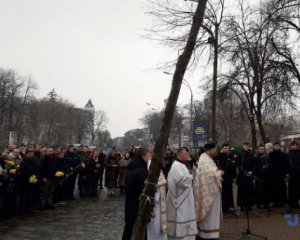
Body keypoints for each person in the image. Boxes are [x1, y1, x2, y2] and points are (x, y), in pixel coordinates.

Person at [167, 147, 197, 240]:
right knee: (181, 217)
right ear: (179, 155)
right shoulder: (176, 165)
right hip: (180, 200)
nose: (188, 155)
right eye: (186, 154)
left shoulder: (182, 164)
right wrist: (192, 176)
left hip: (184, 199)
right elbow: (181, 181)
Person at [194, 143, 223, 240]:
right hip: (209, 192)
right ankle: (209, 234)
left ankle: (209, 233)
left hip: (210, 190)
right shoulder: (205, 159)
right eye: (214, 150)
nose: (215, 152)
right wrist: (219, 173)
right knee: (210, 213)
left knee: (211, 214)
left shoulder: (206, 158)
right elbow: (209, 174)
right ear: (209, 150)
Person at [122, 148, 151, 240]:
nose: (149, 157)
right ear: (143, 156)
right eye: (148, 155)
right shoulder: (141, 171)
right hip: (137, 205)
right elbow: (143, 191)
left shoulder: (134, 167)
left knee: (129, 228)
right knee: (137, 229)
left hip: (131, 204)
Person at [147, 153, 168, 240]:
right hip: (156, 199)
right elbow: (153, 182)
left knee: (159, 224)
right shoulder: (151, 164)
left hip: (159, 199)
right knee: (154, 224)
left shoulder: (156, 165)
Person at [237, 141, 255, 211]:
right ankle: (242, 206)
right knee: (242, 191)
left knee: (250, 190)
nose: (247, 147)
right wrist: (244, 172)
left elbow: (254, 163)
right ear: (243, 146)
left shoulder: (251, 154)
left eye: (248, 146)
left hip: (250, 175)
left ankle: (249, 205)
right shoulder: (239, 154)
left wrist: (251, 171)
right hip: (242, 175)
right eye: (245, 146)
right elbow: (238, 164)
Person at [218, 143, 236, 213]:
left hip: (229, 177)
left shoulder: (230, 156)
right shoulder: (218, 156)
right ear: (222, 148)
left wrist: (234, 176)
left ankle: (229, 207)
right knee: (223, 193)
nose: (226, 150)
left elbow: (233, 166)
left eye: (228, 148)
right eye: (225, 148)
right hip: (221, 177)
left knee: (229, 192)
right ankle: (223, 207)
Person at [269, 142, 288, 207]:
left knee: (281, 188)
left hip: (281, 174)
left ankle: (281, 201)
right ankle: (275, 201)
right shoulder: (270, 154)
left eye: (278, 146)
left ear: (280, 147)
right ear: (273, 147)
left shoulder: (284, 155)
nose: (277, 147)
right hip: (273, 174)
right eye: (275, 146)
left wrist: (285, 175)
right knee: (274, 188)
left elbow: (286, 165)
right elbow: (269, 165)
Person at [253, 145, 271, 209]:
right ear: (258, 149)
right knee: (258, 191)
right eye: (260, 149)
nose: (262, 150)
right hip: (258, 177)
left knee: (265, 190)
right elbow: (254, 166)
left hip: (265, 177)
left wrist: (266, 167)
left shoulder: (266, 157)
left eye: (263, 149)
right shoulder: (255, 157)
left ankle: (266, 203)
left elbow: (269, 166)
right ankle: (258, 203)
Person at [287, 141, 300, 210]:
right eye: (292, 145)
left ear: (297, 146)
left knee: (298, 189)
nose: (294, 146)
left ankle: (297, 203)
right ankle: (291, 203)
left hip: (298, 174)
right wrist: (288, 172)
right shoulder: (288, 154)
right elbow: (287, 164)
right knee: (291, 189)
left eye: (295, 145)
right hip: (291, 174)